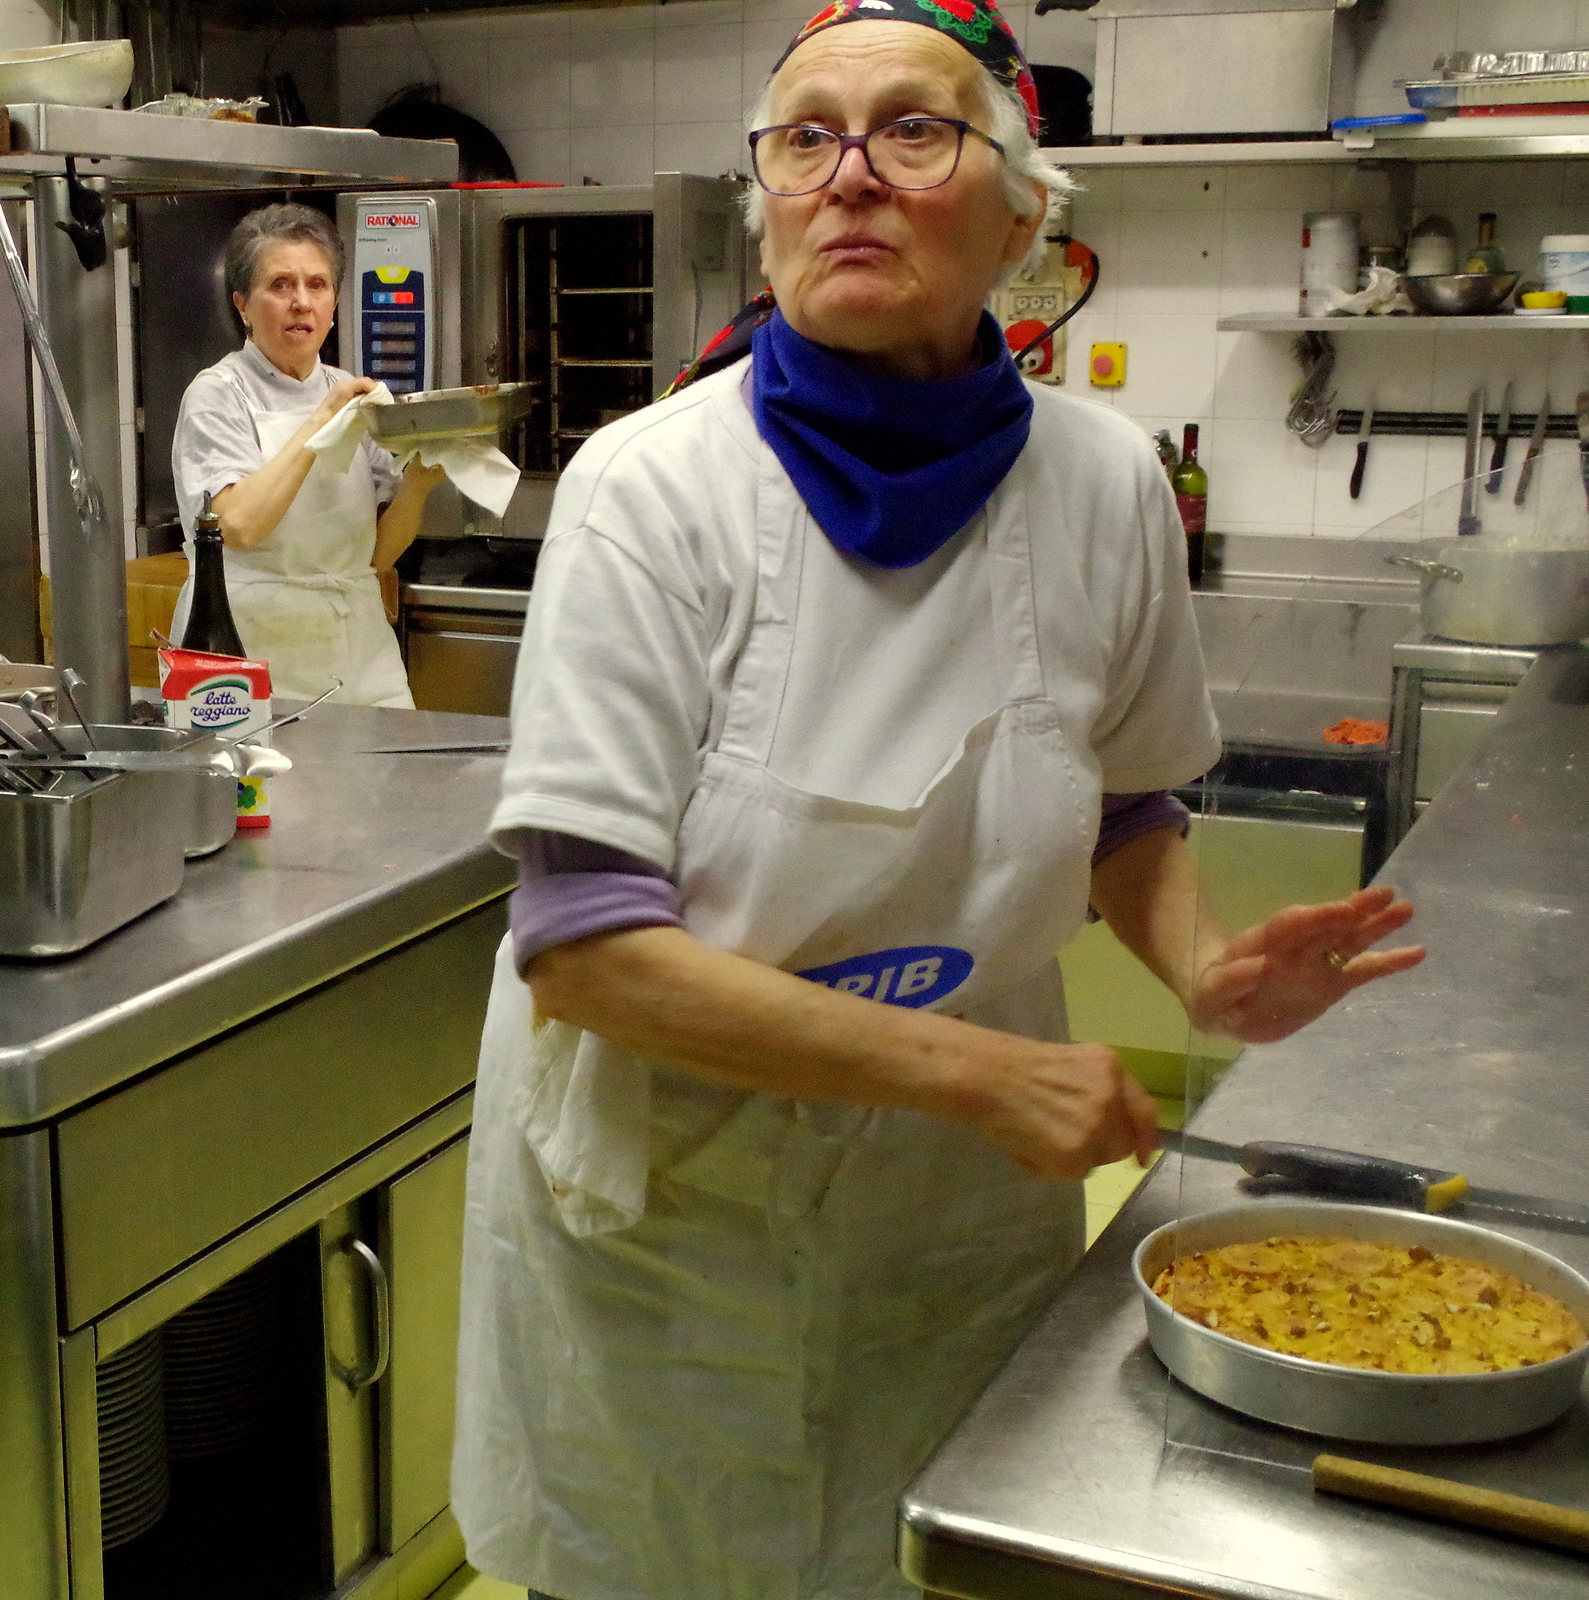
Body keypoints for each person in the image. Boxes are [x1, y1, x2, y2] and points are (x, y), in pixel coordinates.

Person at [450, 5, 1427, 1598]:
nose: (849, 178)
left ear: (1024, 211)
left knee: (929, 1557)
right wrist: (983, 1073)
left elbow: (1122, 812)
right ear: (765, 203)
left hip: (952, 1211)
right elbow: (585, 947)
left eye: (914, 133)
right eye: (803, 140)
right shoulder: (653, 489)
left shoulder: (1107, 486)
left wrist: (1202, 968)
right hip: (675, 1204)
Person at [169, 203, 447, 705]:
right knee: (268, 787)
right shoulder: (218, 394)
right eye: (280, 285)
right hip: (251, 654)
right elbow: (238, 526)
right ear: (243, 305)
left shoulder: (350, 391)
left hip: (361, 652)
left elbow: (375, 555)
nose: (302, 302)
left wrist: (420, 483)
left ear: (335, 303)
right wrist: (321, 421)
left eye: (317, 286)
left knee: (390, 780)